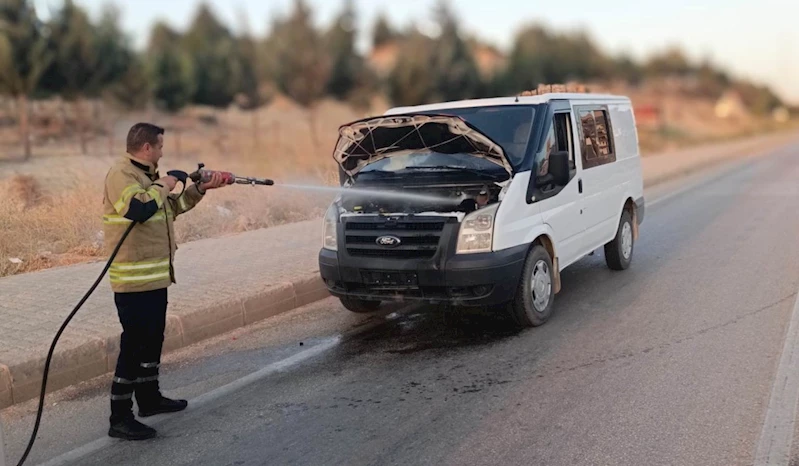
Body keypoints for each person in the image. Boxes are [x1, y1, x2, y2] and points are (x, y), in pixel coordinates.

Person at [102, 123, 227, 440]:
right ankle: (119, 417)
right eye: (159, 146)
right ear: (146, 147)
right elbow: (140, 208)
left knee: (152, 339)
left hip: (155, 278)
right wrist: (166, 182)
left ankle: (149, 399)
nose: (161, 151)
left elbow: (170, 208)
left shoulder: (147, 177)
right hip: (133, 282)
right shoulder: (122, 175)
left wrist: (199, 190)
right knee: (133, 346)